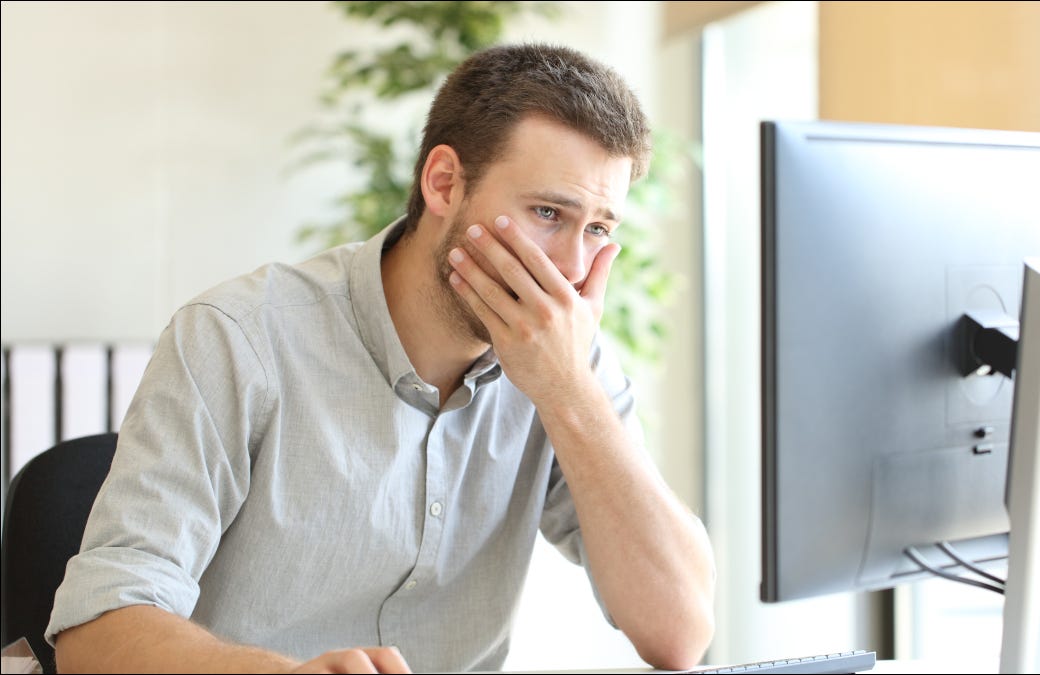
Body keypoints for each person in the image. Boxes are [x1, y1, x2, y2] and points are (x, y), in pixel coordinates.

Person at [47, 43, 715, 674]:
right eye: (547, 212)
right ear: (444, 182)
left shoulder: (568, 360)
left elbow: (680, 631)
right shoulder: (238, 337)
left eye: (597, 229)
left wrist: (571, 393)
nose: (571, 268)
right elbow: (96, 632)